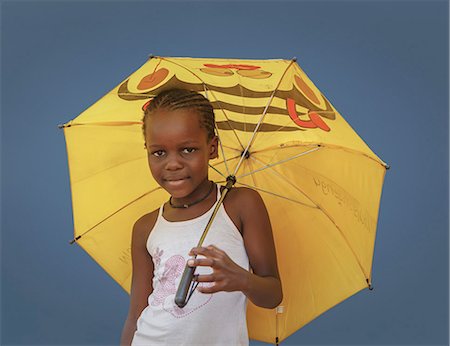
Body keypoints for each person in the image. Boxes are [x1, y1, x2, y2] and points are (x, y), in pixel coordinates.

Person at [120, 88, 282, 346]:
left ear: (213, 147)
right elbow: (136, 315)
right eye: (159, 152)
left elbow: (273, 293)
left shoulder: (239, 204)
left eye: (188, 150)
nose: (172, 164)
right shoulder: (146, 227)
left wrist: (242, 279)